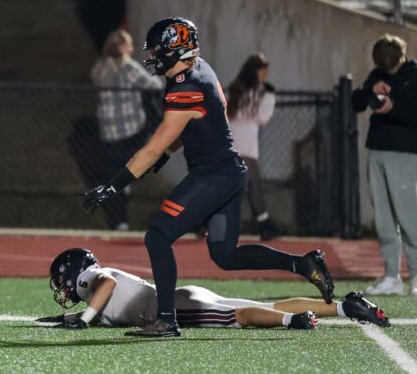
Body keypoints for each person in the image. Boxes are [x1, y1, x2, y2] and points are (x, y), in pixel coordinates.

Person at [83, 17, 334, 338]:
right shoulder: (200, 68)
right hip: (229, 172)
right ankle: (303, 264)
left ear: (175, 50)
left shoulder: (185, 87)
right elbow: (191, 124)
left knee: (158, 236)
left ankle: (166, 320)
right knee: (226, 255)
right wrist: (168, 152)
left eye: (158, 51)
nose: (153, 58)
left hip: (212, 176)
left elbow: (153, 147)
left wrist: (112, 186)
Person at [36, 248, 389, 330]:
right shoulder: (95, 292)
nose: (62, 288)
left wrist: (84, 319)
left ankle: (293, 321)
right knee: (267, 305)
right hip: (183, 295)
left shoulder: (95, 277)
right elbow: (102, 306)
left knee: (239, 317)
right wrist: (65, 318)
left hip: (174, 306)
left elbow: (107, 285)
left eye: (61, 279)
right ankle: (344, 306)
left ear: (75, 271)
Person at [352, 34, 417, 296]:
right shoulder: (377, 74)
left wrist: (394, 108)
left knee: (409, 216)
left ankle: (416, 275)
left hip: (404, 152)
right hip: (377, 149)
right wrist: (370, 90)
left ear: (400, 55)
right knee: (383, 217)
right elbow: (356, 103)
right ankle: (391, 275)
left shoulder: (413, 74)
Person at [90, 28, 162, 230]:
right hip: (131, 130)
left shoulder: (99, 68)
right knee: (143, 158)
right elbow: (154, 85)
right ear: (122, 47)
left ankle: (119, 221)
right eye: (129, 44)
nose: (132, 48)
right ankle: (130, 182)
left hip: (109, 131)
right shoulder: (128, 67)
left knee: (114, 176)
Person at [227, 53, 283, 240]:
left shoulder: (237, 90)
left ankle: (263, 223)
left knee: (243, 184)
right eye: (263, 70)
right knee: (251, 183)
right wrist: (269, 99)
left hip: (236, 141)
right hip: (243, 144)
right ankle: (264, 224)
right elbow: (262, 117)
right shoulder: (255, 92)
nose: (266, 74)